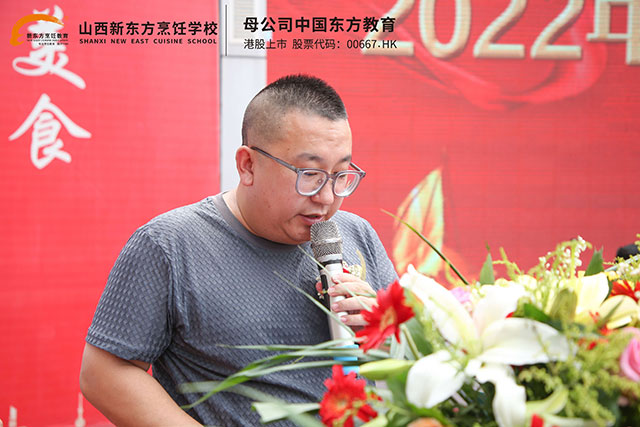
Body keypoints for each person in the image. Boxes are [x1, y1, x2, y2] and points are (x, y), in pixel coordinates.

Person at [79, 74, 398, 426]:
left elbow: (410, 362)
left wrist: (384, 329)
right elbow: (104, 373)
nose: (326, 197)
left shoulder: (356, 234)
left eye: (341, 175)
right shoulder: (169, 244)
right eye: (309, 174)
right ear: (248, 165)